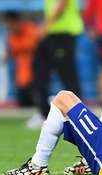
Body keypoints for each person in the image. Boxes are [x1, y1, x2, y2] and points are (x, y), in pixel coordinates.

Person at [31, 0, 83, 128]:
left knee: (68, 76)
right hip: (51, 33)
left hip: (62, 33)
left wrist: (46, 25)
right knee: (39, 74)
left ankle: (77, 117)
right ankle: (45, 115)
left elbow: (61, 3)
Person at [3, 11, 39, 107]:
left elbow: (32, 45)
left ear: (17, 21)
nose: (9, 27)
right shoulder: (12, 36)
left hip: (36, 77)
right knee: (23, 108)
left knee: (38, 108)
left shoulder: (31, 29)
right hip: (22, 79)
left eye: (10, 24)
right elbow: (13, 51)